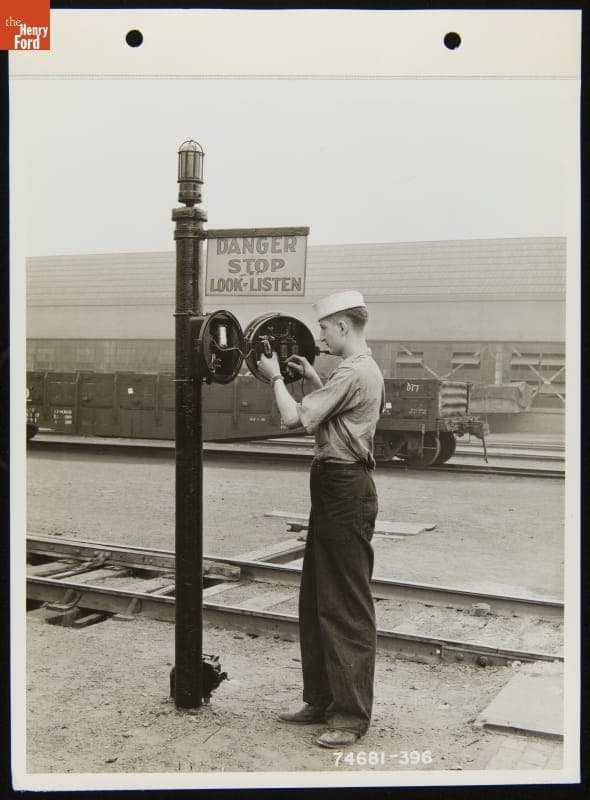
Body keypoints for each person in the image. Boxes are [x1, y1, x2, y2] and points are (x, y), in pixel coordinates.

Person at [257, 290, 385, 749]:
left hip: (343, 489)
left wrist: (275, 379)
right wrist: (311, 376)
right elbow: (332, 417)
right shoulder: (357, 370)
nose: (321, 336)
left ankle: (350, 717)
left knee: (344, 604)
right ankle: (321, 700)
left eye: (325, 328)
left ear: (344, 327)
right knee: (316, 597)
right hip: (335, 486)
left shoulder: (354, 371)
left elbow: (295, 419)